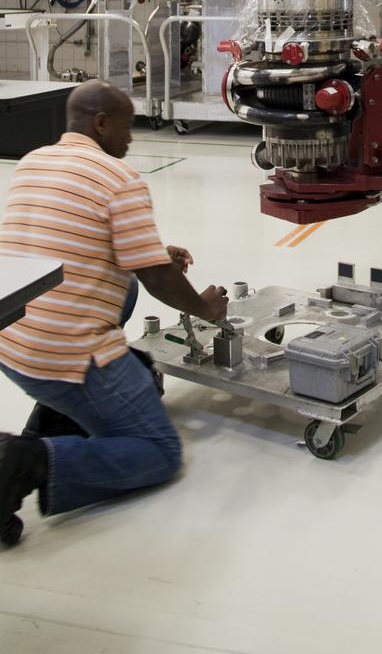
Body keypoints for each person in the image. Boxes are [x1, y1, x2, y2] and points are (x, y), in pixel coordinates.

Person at [0, 80, 228, 547]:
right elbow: (159, 280)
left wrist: (154, 250)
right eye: (126, 128)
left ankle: (59, 413)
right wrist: (206, 308)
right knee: (159, 451)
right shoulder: (119, 178)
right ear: (101, 124)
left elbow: (65, 238)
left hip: (11, 336)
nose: (129, 139)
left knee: (120, 291)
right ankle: (28, 460)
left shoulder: (32, 161)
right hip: (61, 355)